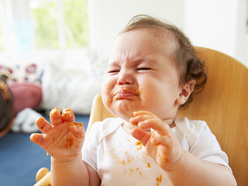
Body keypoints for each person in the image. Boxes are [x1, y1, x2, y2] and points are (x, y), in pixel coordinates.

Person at [30, 14, 237, 186]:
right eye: (113, 69)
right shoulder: (101, 135)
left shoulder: (193, 135)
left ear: (183, 91)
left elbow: (227, 183)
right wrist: (66, 161)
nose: (122, 78)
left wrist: (179, 162)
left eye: (143, 68)